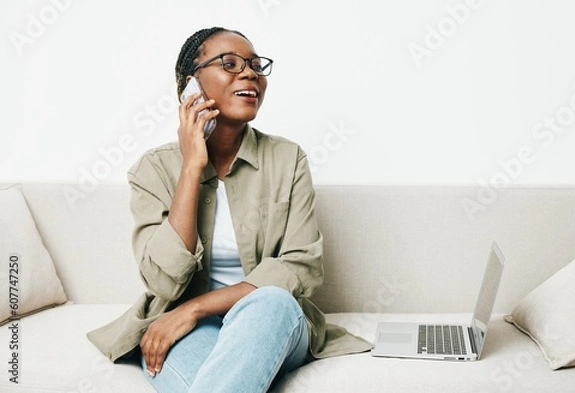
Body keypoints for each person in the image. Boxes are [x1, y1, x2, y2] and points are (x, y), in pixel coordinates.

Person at [87, 26, 372, 393]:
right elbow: (162, 281)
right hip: (187, 327)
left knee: (271, 300)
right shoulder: (153, 170)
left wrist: (196, 307)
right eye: (230, 64)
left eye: (255, 65)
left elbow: (302, 267)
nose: (250, 73)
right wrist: (191, 167)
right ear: (192, 85)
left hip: (271, 319)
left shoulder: (288, 159)